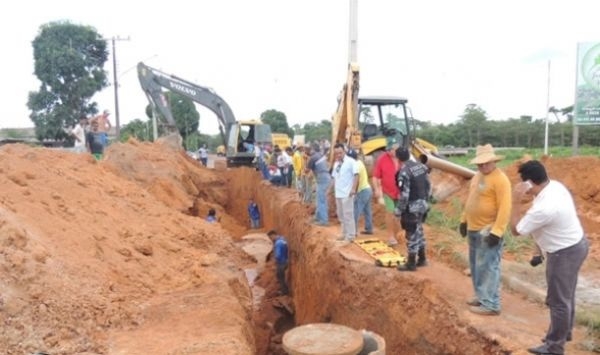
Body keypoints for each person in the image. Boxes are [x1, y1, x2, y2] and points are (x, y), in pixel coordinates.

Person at [510, 160, 588, 355]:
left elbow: (516, 230)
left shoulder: (544, 207)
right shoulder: (554, 187)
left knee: (558, 300)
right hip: (576, 244)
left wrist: (515, 201)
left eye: (522, 182)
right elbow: (543, 228)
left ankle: (554, 347)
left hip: (564, 253)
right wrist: (538, 250)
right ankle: (564, 333)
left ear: (529, 183)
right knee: (566, 295)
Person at [459, 144, 511, 316]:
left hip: (488, 230)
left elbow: (505, 207)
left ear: (493, 161)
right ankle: (481, 296)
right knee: (476, 265)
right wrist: (464, 220)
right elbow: (470, 199)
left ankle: (491, 303)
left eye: (485, 163)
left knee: (488, 266)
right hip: (474, 228)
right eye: (479, 164)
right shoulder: (477, 177)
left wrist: (497, 231)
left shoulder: (500, 179)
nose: (482, 167)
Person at [394, 147, 431, 271]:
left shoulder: (404, 172)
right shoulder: (422, 167)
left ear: (398, 158)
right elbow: (428, 185)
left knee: (411, 233)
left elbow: (404, 195)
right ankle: (422, 258)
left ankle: (411, 263)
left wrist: (399, 210)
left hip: (412, 206)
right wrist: (426, 200)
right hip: (423, 204)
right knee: (419, 229)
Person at [372, 136, 402, 246]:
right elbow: (375, 177)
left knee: (399, 214)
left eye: (396, 148)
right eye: (393, 149)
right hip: (388, 192)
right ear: (388, 150)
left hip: (401, 192)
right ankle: (390, 236)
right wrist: (377, 190)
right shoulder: (382, 159)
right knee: (390, 212)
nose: (395, 151)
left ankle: (399, 234)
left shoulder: (402, 158)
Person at [330, 144, 359, 242]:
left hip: (347, 193)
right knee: (341, 215)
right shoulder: (336, 164)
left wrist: (353, 189)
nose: (338, 155)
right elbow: (334, 177)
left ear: (344, 151)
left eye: (340, 153)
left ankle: (350, 236)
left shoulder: (351, 162)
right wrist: (330, 190)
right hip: (338, 193)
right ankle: (344, 233)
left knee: (348, 215)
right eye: (336, 153)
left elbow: (356, 175)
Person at [347, 149, 373, 235]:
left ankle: (353, 231)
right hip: (368, 189)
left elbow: (356, 179)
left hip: (362, 190)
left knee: (356, 210)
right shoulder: (360, 163)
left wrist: (353, 191)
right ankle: (369, 229)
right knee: (367, 211)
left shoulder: (355, 166)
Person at [307, 144, 331, 226]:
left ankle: (324, 220)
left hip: (322, 178)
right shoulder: (321, 155)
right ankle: (317, 217)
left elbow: (307, 171)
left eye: (309, 149)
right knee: (319, 198)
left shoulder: (313, 158)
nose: (309, 151)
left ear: (313, 150)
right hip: (326, 177)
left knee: (321, 200)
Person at [268, 230, 289, 295]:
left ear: (273, 235)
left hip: (281, 263)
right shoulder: (283, 239)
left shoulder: (278, 243)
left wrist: (274, 263)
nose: (271, 239)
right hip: (285, 260)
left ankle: (284, 292)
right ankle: (284, 290)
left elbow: (278, 255)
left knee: (280, 277)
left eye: (271, 238)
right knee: (281, 276)